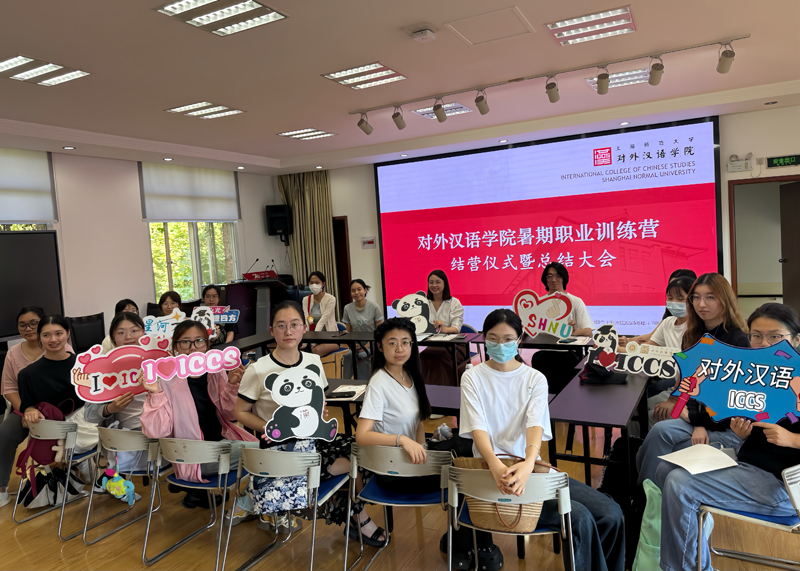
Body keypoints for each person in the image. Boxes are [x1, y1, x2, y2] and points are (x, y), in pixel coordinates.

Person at [460, 309, 624, 571]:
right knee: (580, 518)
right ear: (484, 338)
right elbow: (478, 428)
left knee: (611, 513)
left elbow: (534, 424)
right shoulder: (472, 377)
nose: (500, 345)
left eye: (507, 339)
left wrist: (528, 463)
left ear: (519, 339)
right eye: (493, 339)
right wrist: (496, 466)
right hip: (491, 471)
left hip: (532, 469)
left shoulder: (534, 378)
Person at [657, 302, 800, 571]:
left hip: (786, 486)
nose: (763, 344)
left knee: (681, 484)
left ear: (795, 340)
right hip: (750, 465)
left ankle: (683, 567)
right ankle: (692, 552)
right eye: (756, 336)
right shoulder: (757, 374)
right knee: (666, 469)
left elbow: (786, 438)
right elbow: (731, 412)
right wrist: (741, 434)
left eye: (774, 336)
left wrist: (792, 439)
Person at [234, 300, 383, 539]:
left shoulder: (312, 362)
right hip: (281, 449)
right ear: (272, 331)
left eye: (295, 324)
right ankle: (358, 517)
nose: (288, 331)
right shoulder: (258, 369)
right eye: (281, 325)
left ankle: (351, 514)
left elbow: (318, 402)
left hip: (313, 439)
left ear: (304, 328)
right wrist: (269, 428)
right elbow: (240, 412)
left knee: (365, 454)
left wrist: (320, 415)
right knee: (352, 466)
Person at [636, 273, 750, 485]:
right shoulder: (692, 335)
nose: (701, 304)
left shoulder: (737, 340)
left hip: (725, 425)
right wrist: (692, 416)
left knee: (663, 449)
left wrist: (699, 422)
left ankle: (648, 492)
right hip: (698, 417)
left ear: (725, 300)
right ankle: (645, 492)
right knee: (658, 431)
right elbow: (689, 384)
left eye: (710, 297)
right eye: (696, 297)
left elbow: (731, 398)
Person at [140, 320, 257, 510]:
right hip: (194, 457)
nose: (193, 348)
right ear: (175, 347)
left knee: (265, 450)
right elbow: (156, 432)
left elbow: (229, 414)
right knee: (263, 453)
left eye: (199, 341)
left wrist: (232, 384)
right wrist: (155, 393)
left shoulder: (215, 371)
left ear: (207, 344)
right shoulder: (166, 381)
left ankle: (222, 498)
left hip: (220, 444)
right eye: (185, 342)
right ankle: (243, 507)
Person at [0, 307, 72, 507]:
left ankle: (79, 470)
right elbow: (9, 389)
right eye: (23, 325)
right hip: (27, 407)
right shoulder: (14, 354)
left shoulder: (63, 349)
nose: (28, 328)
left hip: (63, 410)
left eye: (34, 323)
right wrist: (27, 410)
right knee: (5, 433)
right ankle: (1, 487)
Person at [17, 315, 98, 454]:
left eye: (59, 333)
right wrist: (30, 411)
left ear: (68, 333)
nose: (53, 339)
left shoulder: (85, 366)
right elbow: (27, 406)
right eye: (46, 335)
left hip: (86, 428)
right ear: (39, 336)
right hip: (51, 433)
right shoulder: (27, 375)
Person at [84, 312, 149, 473]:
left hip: (164, 434)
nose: (128, 337)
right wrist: (109, 409)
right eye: (121, 332)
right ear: (113, 337)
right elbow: (89, 414)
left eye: (134, 331)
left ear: (143, 332)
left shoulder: (157, 361)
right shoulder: (103, 369)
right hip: (127, 439)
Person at [620, 269, 696, 346]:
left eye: (680, 298)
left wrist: (629, 342)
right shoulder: (668, 321)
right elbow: (650, 342)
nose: (674, 302)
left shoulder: (698, 326)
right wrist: (627, 342)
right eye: (670, 297)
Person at [420, 269, 468, 386]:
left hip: (453, 345)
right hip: (432, 344)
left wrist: (444, 328)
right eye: (431, 282)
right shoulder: (423, 303)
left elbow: (456, 328)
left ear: (445, 284)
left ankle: (448, 391)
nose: (434, 285)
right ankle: (426, 391)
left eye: (437, 282)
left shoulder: (454, 302)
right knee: (421, 357)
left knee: (439, 357)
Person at [341, 279, 384, 379]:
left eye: (359, 289)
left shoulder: (374, 307)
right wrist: (353, 344)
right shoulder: (347, 308)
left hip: (372, 343)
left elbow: (379, 331)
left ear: (365, 290)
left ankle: (364, 384)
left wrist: (368, 344)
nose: (356, 293)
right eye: (353, 290)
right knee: (348, 356)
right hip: (356, 343)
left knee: (363, 356)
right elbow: (349, 331)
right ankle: (345, 383)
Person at [540, 262, 593, 336]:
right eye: (550, 276)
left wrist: (572, 331)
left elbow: (588, 332)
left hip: (569, 343)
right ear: (545, 279)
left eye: (558, 276)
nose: (553, 280)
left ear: (563, 278)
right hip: (544, 343)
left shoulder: (576, 301)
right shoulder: (539, 303)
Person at [301, 271, 340, 357]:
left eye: (317, 282)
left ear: (323, 284)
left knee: (315, 352)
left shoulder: (331, 299)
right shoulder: (305, 300)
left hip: (330, 338)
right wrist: (306, 342)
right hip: (312, 338)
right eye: (311, 283)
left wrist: (313, 342)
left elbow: (322, 321)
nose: (314, 285)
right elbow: (306, 320)